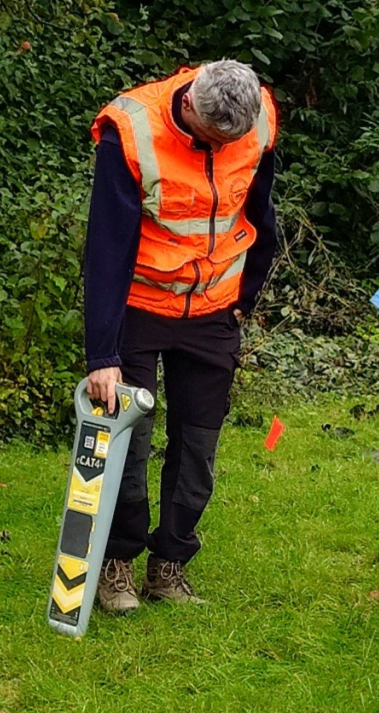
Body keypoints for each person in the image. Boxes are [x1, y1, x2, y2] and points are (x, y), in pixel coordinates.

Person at [82, 60, 278, 612]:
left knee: (198, 447)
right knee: (131, 443)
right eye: (209, 140)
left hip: (215, 310)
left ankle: (169, 566)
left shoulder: (259, 120)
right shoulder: (132, 128)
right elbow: (106, 247)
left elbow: (264, 212)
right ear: (189, 103)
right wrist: (103, 352)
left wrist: (246, 298)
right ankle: (115, 564)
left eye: (227, 142)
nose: (217, 149)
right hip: (139, 309)